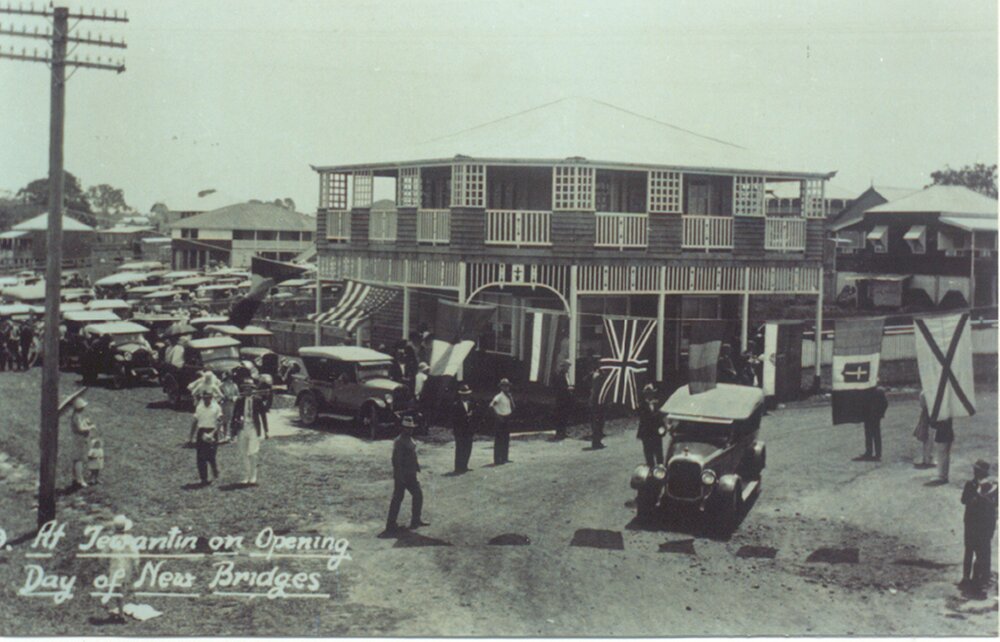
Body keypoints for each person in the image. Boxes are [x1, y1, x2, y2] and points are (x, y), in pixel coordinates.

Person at [380, 415, 427, 536]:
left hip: (411, 473)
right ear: (402, 428)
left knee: (418, 495)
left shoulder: (409, 438)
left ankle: (416, 520)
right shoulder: (400, 441)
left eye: (411, 428)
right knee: (398, 498)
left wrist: (416, 466)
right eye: (407, 428)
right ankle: (390, 525)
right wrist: (399, 476)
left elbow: (412, 455)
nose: (410, 430)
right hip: (402, 474)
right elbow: (396, 460)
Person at [961, 460, 998, 592]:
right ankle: (966, 577)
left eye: (978, 470)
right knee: (969, 550)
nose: (975, 472)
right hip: (971, 522)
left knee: (983, 551)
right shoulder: (970, 485)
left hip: (984, 524)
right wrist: (973, 500)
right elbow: (963, 500)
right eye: (975, 469)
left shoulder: (992, 487)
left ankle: (980, 578)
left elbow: (995, 507)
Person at [104, 514, 139, 622]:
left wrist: (104, 564)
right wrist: (136, 566)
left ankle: (120, 610)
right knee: (123, 587)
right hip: (126, 567)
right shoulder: (129, 539)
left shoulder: (111, 540)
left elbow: (104, 554)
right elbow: (135, 554)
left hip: (115, 568)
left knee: (118, 589)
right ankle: (121, 612)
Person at [232, 384, 268, 485]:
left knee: (253, 453)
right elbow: (234, 415)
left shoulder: (258, 400)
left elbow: (263, 415)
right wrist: (233, 431)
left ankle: (253, 476)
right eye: (245, 388)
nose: (247, 390)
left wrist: (266, 430)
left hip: (253, 428)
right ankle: (246, 476)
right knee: (243, 453)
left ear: (253, 389)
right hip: (242, 428)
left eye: (249, 388)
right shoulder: (239, 401)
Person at [188, 391, 221, 485]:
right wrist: (191, 436)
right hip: (201, 432)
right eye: (204, 398)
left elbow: (219, 421)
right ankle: (204, 478)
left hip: (212, 431)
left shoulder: (216, 407)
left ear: (211, 398)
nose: (206, 400)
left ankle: (214, 469)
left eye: (208, 397)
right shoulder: (199, 407)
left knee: (211, 454)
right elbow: (195, 422)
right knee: (200, 456)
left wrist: (212, 433)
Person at [450, 384, 477, 473]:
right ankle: (458, 467)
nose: (465, 396)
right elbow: (454, 419)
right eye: (463, 394)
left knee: (468, 448)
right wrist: (466, 416)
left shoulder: (471, 404)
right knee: (460, 449)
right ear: (460, 395)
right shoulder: (456, 405)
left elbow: (474, 416)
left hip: (469, 430)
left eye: (467, 394)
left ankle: (465, 465)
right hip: (460, 430)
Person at [857, 386, 888, 462]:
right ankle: (870, 452)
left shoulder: (878, 391)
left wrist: (880, 413)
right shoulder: (868, 391)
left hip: (874, 416)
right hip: (868, 416)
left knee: (874, 434)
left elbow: (885, 403)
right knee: (869, 434)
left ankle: (875, 453)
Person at [69, 397, 94, 488]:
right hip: (79, 439)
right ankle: (80, 480)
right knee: (79, 459)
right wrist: (89, 428)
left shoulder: (77, 415)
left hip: (77, 438)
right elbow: (80, 429)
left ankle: (75, 478)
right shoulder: (76, 416)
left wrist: (85, 422)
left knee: (77, 459)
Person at [637, 384, 664, 468]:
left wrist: (663, 428)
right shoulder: (642, 405)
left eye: (651, 393)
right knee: (649, 453)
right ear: (645, 394)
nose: (649, 395)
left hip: (656, 433)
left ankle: (660, 470)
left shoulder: (657, 404)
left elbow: (660, 419)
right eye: (647, 393)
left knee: (659, 453)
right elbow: (643, 419)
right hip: (647, 433)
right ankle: (651, 469)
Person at [490, 378, 515, 465]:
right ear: (501, 387)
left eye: (507, 386)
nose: (506, 388)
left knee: (506, 439)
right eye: (504, 386)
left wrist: (511, 398)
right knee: (499, 439)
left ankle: (504, 457)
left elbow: (513, 407)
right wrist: (498, 416)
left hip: (507, 417)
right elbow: (491, 406)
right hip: (501, 418)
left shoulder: (508, 396)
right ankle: (497, 459)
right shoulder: (499, 396)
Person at [927, 415, 955, 485]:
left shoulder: (943, 415)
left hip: (943, 436)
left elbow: (934, 425)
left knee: (942, 456)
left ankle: (942, 476)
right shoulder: (947, 414)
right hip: (947, 435)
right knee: (944, 456)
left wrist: (932, 421)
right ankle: (943, 475)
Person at [552, 360, 573, 440]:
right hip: (561, 398)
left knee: (565, 415)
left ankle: (563, 432)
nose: (568, 368)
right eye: (567, 366)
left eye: (568, 366)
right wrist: (568, 388)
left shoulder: (566, 375)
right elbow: (559, 387)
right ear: (563, 366)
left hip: (566, 397)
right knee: (560, 415)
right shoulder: (559, 375)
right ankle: (558, 433)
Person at [913, 395, 935, 469]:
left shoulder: (923, 393)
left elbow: (922, 405)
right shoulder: (926, 393)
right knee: (929, 439)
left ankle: (926, 458)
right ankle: (928, 459)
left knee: (926, 439)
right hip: (929, 416)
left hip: (926, 415)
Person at [219, 372, 239, 443]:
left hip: (231, 404)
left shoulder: (234, 385)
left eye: (230, 377)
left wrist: (233, 398)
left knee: (231, 420)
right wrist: (223, 397)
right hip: (224, 404)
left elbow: (237, 395)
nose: (229, 379)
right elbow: (219, 394)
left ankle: (231, 436)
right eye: (228, 377)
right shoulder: (222, 385)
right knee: (224, 420)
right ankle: (224, 436)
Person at [588, 367, 606, 449]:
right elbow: (595, 391)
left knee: (599, 423)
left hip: (599, 402)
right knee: (597, 423)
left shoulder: (599, 377)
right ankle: (596, 442)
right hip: (597, 403)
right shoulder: (598, 378)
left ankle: (597, 441)